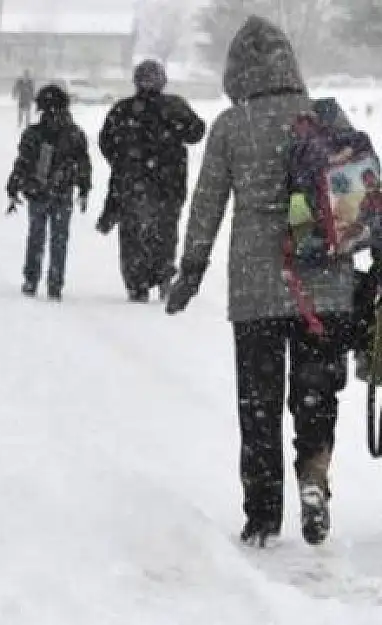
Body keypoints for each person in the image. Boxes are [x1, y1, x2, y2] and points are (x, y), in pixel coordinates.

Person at [166, 16, 354, 548]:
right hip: (326, 286)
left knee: (260, 404)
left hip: (256, 292)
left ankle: (263, 514)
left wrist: (191, 271)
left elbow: (206, 206)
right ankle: (314, 475)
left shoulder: (231, 126)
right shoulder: (322, 117)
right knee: (316, 393)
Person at [99, 59, 206, 302]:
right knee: (165, 232)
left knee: (133, 235)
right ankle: (163, 274)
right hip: (169, 184)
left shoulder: (123, 110)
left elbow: (107, 143)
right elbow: (197, 132)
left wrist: (124, 161)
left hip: (132, 184)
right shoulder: (174, 106)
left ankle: (137, 283)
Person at [5, 84, 91, 301]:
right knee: (59, 239)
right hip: (63, 193)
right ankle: (55, 283)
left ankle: (31, 279)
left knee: (36, 236)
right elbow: (83, 163)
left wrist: (13, 186)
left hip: (38, 192)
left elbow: (22, 163)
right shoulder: (74, 133)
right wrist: (83, 187)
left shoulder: (34, 133)